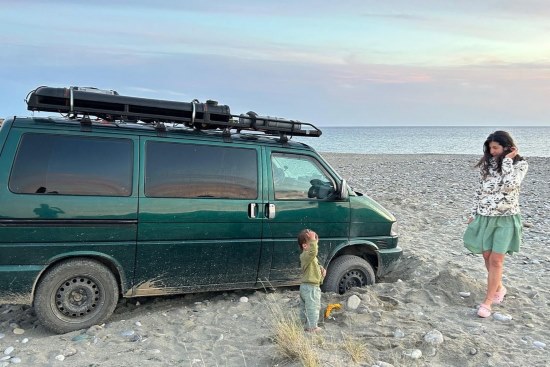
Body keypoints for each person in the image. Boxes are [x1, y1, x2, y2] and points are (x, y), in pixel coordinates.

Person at [463, 130, 528, 318]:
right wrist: (473, 213)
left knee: (496, 260)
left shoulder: (520, 165)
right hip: (485, 215)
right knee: (486, 255)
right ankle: (499, 288)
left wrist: (508, 161)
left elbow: (510, 185)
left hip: (506, 217)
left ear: (507, 147)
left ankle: (488, 301)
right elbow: (480, 191)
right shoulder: (488, 165)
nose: (491, 151)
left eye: (495, 148)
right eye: (490, 148)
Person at [297, 229, 326, 332]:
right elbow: (313, 252)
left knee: (305, 308)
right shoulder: (306, 255)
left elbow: (314, 271)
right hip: (311, 288)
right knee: (313, 308)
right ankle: (312, 327)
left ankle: (303, 324)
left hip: (306, 287)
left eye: (316, 244)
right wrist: (313, 239)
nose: (316, 246)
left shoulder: (310, 258)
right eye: (313, 244)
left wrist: (322, 273)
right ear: (305, 246)